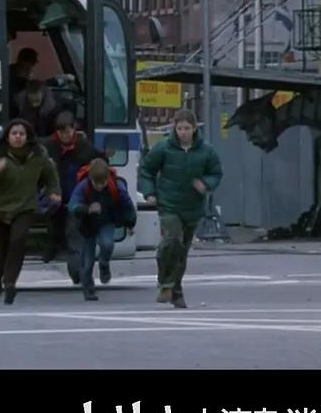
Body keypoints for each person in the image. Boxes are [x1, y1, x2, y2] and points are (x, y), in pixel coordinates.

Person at [138, 109, 223, 309]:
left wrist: (205, 183)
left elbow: (216, 173)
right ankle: (165, 284)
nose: (183, 132)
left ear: (194, 129)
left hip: (192, 207)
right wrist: (149, 192)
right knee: (172, 240)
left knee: (181, 251)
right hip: (169, 204)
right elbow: (147, 169)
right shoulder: (164, 147)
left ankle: (176, 291)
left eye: (186, 128)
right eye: (179, 128)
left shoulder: (206, 150)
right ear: (174, 129)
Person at [0, 118, 61, 304]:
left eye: (22, 134)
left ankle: (10, 284)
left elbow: (50, 174)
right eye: (14, 133)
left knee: (18, 241)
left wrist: (54, 191)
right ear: (7, 137)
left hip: (25, 207)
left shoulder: (39, 154)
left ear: (28, 137)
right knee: (2, 250)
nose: (18, 137)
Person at [41, 110, 104, 273]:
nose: (64, 135)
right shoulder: (48, 146)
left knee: (73, 231)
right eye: (61, 132)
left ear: (74, 129)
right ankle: (54, 248)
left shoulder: (84, 146)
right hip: (55, 194)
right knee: (54, 225)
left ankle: (75, 265)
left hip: (75, 195)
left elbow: (100, 161)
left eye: (67, 131)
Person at [68, 158, 137, 301]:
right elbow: (72, 205)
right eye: (96, 183)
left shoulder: (116, 186)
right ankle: (88, 289)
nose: (99, 186)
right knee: (87, 260)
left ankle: (104, 263)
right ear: (90, 179)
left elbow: (127, 205)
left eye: (103, 183)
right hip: (87, 225)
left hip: (106, 221)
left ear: (107, 179)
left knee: (107, 244)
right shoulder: (83, 186)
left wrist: (130, 223)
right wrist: (87, 209)